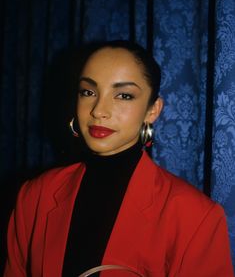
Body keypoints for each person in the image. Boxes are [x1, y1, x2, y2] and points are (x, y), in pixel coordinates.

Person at [4, 40, 234, 277]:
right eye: (88, 92)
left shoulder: (195, 217)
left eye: (123, 95)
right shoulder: (35, 195)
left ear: (152, 110)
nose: (98, 110)